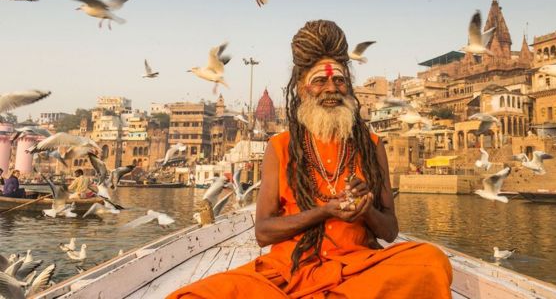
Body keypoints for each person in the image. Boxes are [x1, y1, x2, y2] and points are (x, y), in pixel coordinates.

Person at [169, 20, 452, 298]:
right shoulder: (280, 147)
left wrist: (366, 210)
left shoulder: (371, 145)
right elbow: (263, 232)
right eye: (320, 81)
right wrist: (324, 211)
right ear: (303, 89)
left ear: (348, 86)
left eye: (339, 80)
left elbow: (390, 232)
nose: (331, 88)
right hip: (287, 272)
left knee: (432, 261)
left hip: (356, 270)